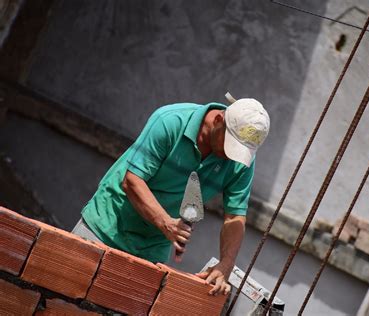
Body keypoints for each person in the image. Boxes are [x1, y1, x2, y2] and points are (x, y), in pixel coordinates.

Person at [72, 95, 270, 296]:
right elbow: (132, 182)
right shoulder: (171, 121)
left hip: (151, 250)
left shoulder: (240, 160)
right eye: (230, 145)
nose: (231, 155)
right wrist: (167, 223)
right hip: (106, 227)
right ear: (218, 120)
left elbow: (235, 216)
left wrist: (226, 264)